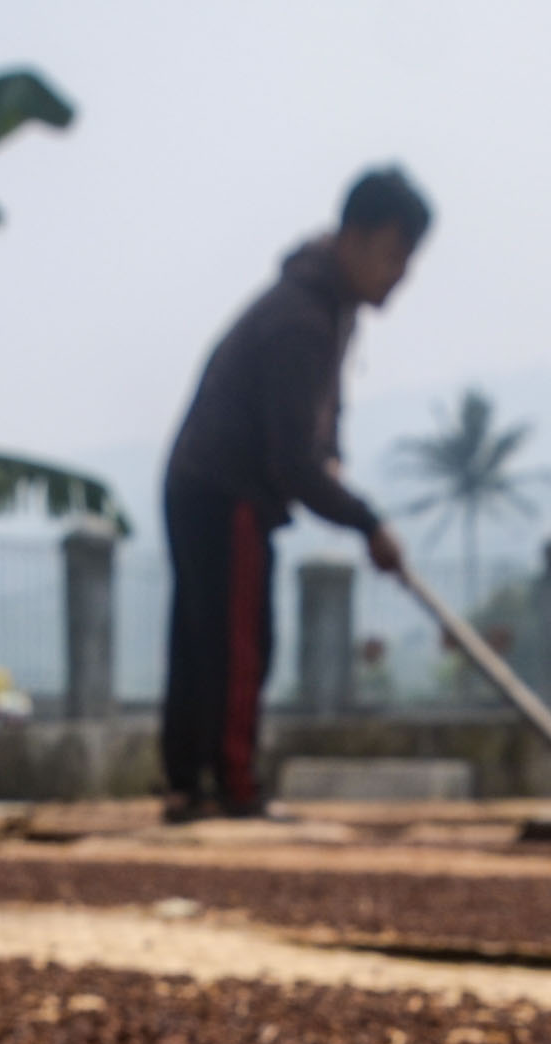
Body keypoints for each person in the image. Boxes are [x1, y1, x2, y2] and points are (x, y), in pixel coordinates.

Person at [159, 167, 428, 820]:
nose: (399, 275)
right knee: (235, 644)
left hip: (202, 483)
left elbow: (320, 416)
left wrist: (331, 454)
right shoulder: (301, 319)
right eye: (392, 255)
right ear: (353, 239)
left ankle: (191, 784)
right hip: (225, 488)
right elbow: (293, 464)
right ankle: (232, 786)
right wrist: (367, 523)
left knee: (208, 638)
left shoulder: (329, 309)